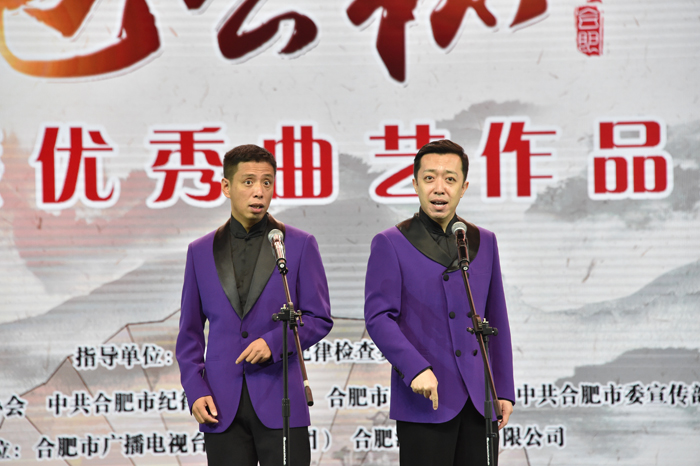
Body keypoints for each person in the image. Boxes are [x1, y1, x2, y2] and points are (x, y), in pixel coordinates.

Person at [176, 144, 333, 466]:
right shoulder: (200, 251)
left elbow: (318, 318)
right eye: (248, 182)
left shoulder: (298, 244)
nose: (259, 191)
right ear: (226, 187)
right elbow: (189, 332)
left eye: (267, 182)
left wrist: (274, 343)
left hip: (281, 398)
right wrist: (194, 388)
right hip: (221, 404)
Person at [363, 139, 515, 466]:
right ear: (415, 184)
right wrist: (415, 368)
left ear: (463, 188)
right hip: (425, 397)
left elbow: (496, 318)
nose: (439, 188)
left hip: (479, 398)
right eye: (430, 178)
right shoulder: (391, 242)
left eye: (450, 179)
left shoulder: (484, 241)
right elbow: (378, 317)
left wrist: (503, 389)